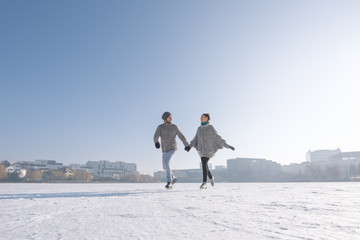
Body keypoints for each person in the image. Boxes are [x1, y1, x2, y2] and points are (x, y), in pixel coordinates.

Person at [185, 113, 235, 189]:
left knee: (204, 163)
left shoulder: (210, 128)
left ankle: (204, 183)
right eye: (200, 117)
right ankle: (211, 177)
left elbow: (218, 137)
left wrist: (227, 145)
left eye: (203, 117)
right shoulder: (199, 129)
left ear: (207, 118)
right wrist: (189, 146)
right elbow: (195, 139)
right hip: (201, 151)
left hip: (209, 150)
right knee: (205, 166)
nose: (201, 118)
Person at [154, 112, 189, 189]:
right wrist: (156, 142)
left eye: (171, 117)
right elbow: (155, 136)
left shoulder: (174, 127)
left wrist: (186, 145)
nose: (171, 118)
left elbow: (181, 136)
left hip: (173, 148)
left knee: (167, 162)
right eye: (169, 117)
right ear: (165, 118)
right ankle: (173, 177)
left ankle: (169, 182)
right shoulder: (160, 127)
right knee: (165, 167)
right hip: (164, 150)